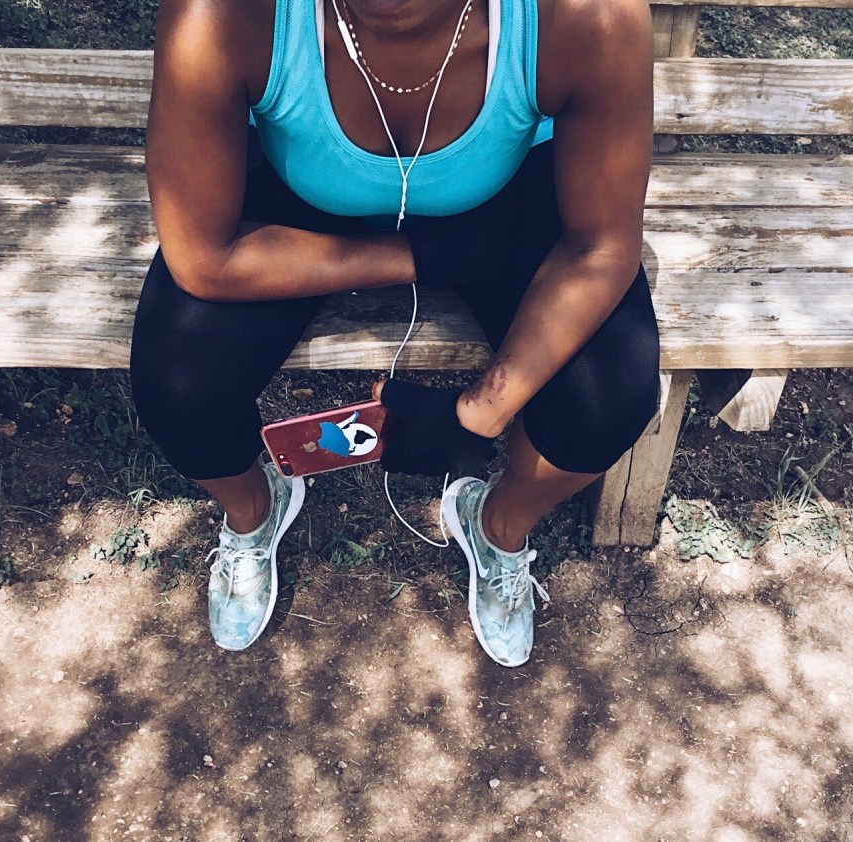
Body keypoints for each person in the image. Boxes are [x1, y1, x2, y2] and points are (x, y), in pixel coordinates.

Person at [129, 0, 659, 666]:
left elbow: (600, 248)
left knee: (611, 397)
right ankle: (253, 513)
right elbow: (202, 257)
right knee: (177, 380)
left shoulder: (586, 15)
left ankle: (495, 527)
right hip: (306, 196)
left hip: (499, 197)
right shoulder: (224, 14)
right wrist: (425, 256)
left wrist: (477, 415)